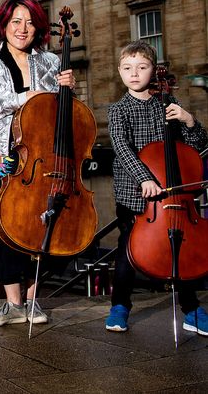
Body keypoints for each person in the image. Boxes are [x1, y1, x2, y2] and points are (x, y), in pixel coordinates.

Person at [0, 0, 75, 327]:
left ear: (38, 27)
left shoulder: (52, 62)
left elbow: (62, 115)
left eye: (29, 22)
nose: (22, 28)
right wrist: (20, 98)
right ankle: (12, 304)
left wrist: (69, 90)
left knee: (46, 226)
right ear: (4, 25)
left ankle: (32, 301)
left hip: (42, 158)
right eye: (16, 21)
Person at [105, 41, 208, 334]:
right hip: (136, 195)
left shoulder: (167, 102)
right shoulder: (118, 110)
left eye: (142, 67)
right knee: (128, 250)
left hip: (173, 193)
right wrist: (144, 178)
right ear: (119, 71)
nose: (134, 73)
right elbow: (122, 148)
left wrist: (189, 121)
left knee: (181, 248)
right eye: (128, 68)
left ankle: (191, 310)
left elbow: (196, 147)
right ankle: (120, 306)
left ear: (154, 69)